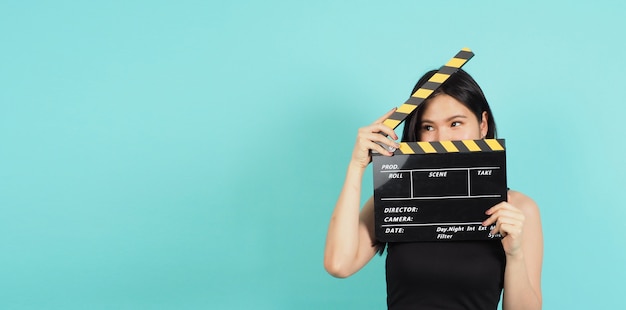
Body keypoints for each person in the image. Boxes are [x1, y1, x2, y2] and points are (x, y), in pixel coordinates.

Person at [324, 69, 543, 310]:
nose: (442, 138)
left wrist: (515, 254)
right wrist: (356, 167)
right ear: (416, 134)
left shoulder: (518, 209)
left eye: (455, 123)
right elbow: (338, 264)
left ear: (483, 124)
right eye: (428, 127)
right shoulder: (394, 200)